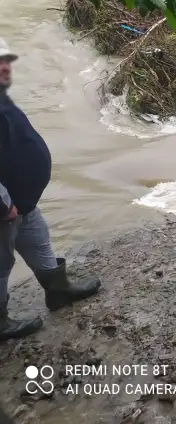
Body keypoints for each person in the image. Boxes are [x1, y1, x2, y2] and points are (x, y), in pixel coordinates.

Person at [0, 38, 101, 342]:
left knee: (39, 241)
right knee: (1, 265)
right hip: (5, 209)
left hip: (23, 203)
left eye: (6, 60)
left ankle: (58, 291)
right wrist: (4, 205)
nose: (5, 67)